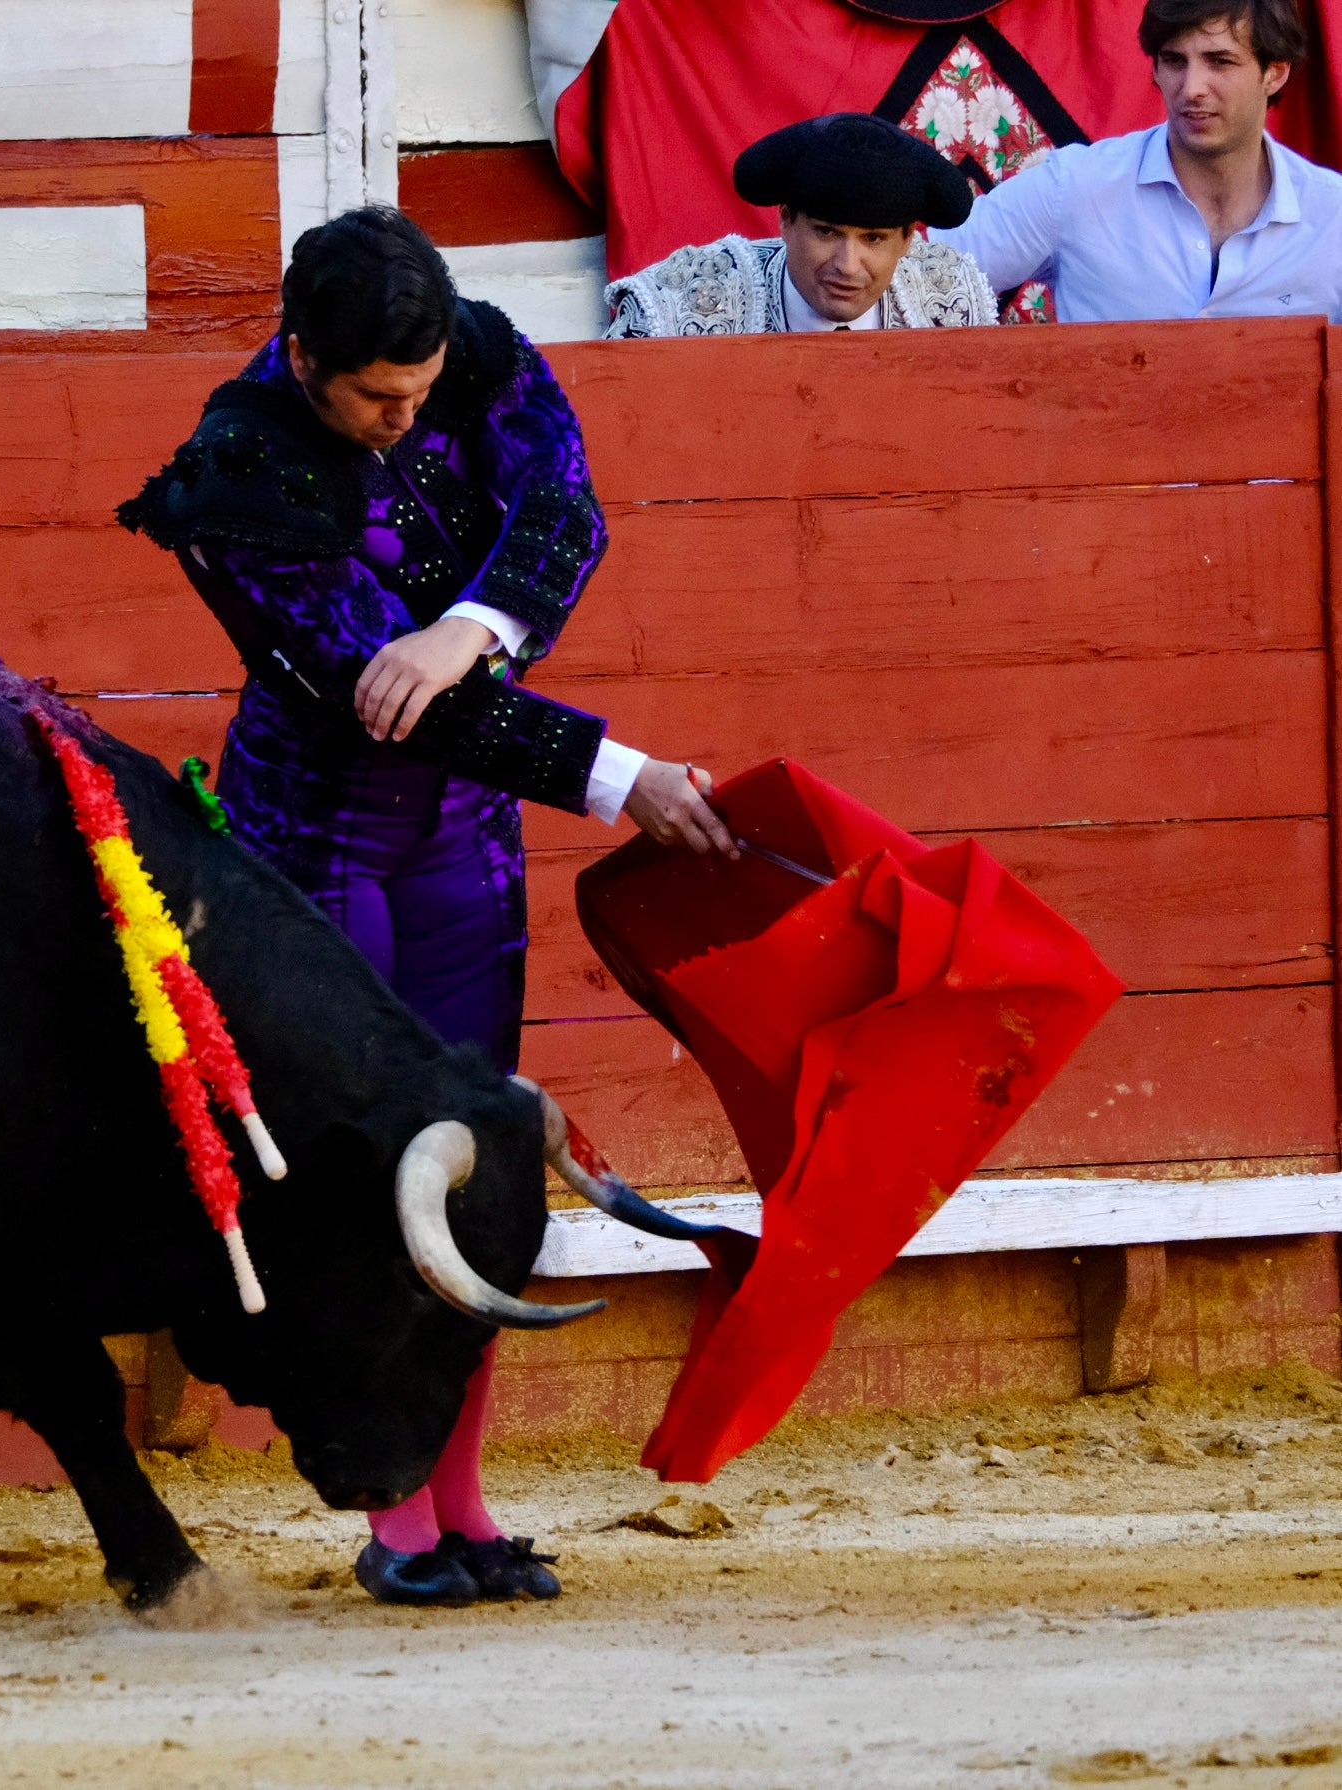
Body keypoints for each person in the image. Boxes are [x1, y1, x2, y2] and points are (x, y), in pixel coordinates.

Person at [119, 206, 734, 1607]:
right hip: (319, 849)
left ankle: (460, 1500)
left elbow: (561, 514)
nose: (401, 418)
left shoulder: (479, 355)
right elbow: (375, 706)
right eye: (371, 399)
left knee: (473, 1169)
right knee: (366, 1186)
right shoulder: (233, 473)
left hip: (463, 854)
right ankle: (393, 1510)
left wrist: (474, 626)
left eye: (416, 390)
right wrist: (615, 773)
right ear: (298, 357)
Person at [929, 0, 1342, 322]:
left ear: (1276, 72)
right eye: (1174, 61)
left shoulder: (1333, 217)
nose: (1192, 87)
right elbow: (913, 280)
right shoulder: (1076, 188)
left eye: (1220, 61)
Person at [606, 113, 993, 338]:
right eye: (827, 232)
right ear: (785, 219)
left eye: (873, 238)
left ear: (908, 239)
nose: (847, 264)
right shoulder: (673, 307)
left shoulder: (953, 297)